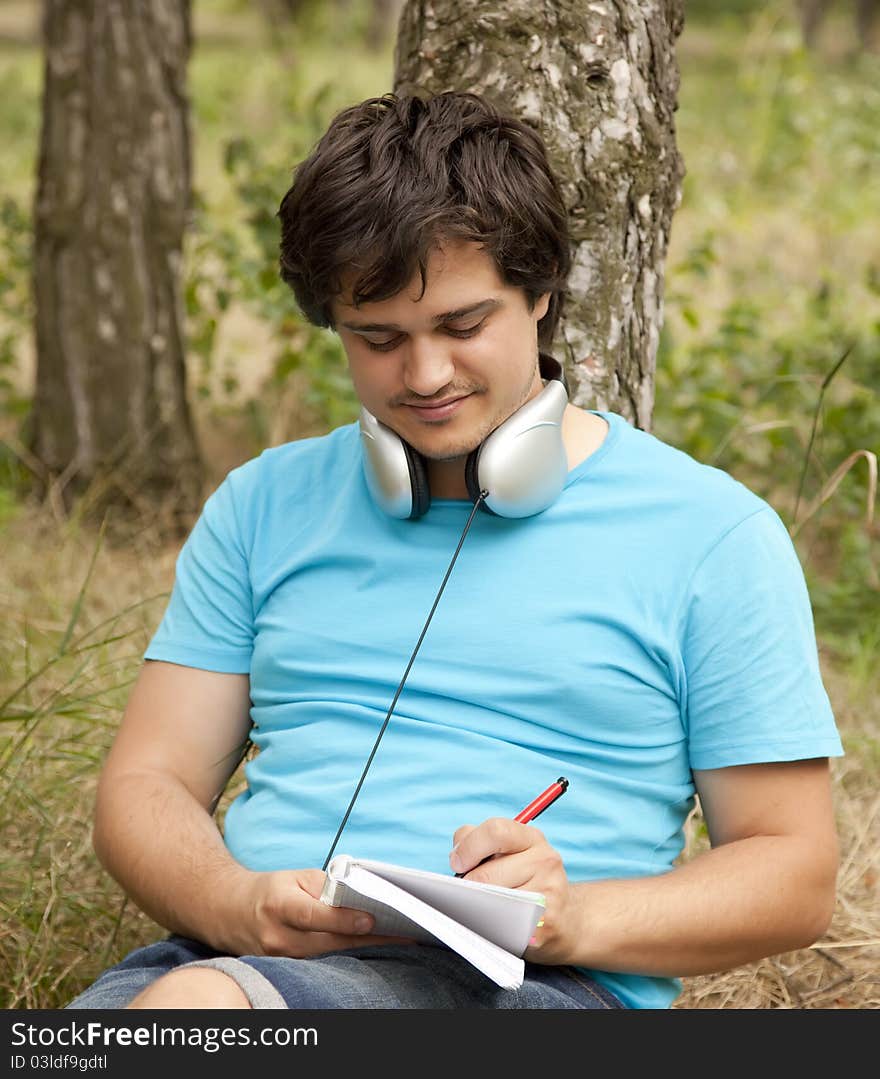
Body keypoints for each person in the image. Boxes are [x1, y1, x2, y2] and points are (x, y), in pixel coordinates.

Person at [66, 91, 843, 1012]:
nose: (425, 376)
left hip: (536, 988)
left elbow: (794, 873)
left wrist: (568, 916)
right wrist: (235, 904)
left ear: (543, 290)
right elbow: (145, 783)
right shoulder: (260, 505)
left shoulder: (714, 535)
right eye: (379, 339)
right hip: (225, 960)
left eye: (463, 327)